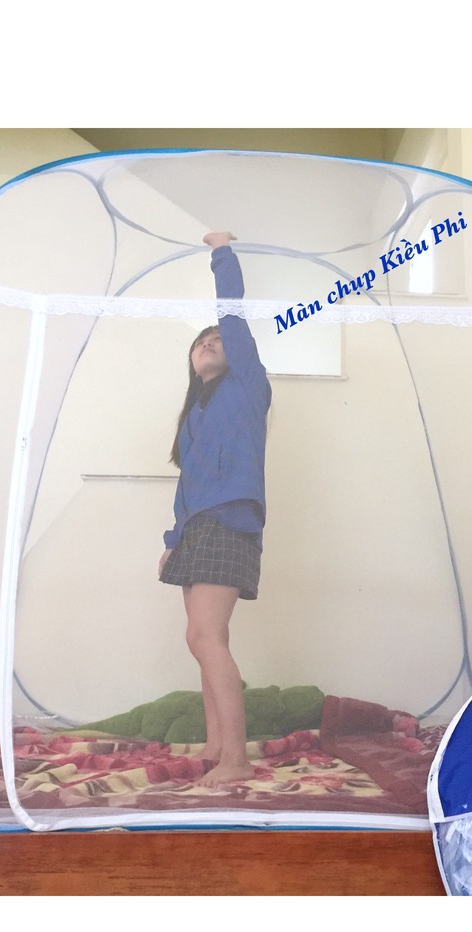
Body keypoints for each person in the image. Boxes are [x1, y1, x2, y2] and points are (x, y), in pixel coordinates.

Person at [159, 230, 271, 786]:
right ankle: (215, 745)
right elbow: (187, 486)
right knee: (200, 638)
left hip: (230, 523)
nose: (210, 342)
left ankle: (237, 761)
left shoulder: (247, 386)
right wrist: (171, 541)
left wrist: (222, 252)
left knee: (207, 636)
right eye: (201, 340)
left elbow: (231, 316)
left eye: (218, 339)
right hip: (198, 528)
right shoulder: (194, 415)